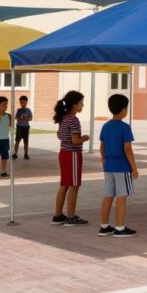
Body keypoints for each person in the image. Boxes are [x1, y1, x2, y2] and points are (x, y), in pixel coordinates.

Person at [99, 94, 138, 238]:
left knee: (108, 195)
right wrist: (134, 168)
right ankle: (120, 227)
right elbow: (128, 149)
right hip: (122, 166)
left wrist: (104, 160)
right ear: (123, 110)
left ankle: (104, 226)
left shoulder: (106, 126)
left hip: (109, 166)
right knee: (122, 196)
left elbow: (102, 147)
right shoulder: (125, 127)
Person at [52, 90, 90, 227]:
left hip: (63, 153)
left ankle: (58, 215)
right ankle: (71, 216)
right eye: (81, 103)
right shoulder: (73, 120)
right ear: (74, 104)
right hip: (72, 154)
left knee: (64, 184)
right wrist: (85, 138)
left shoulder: (63, 118)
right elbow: (75, 140)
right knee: (74, 185)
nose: (83, 105)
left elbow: (59, 135)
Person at [12, 95, 33, 160]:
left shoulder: (28, 110)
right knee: (17, 140)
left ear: (26, 102)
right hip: (19, 127)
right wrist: (20, 117)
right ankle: (15, 154)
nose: (22, 104)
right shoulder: (19, 110)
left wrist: (26, 118)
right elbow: (15, 117)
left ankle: (26, 154)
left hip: (26, 127)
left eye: (23, 102)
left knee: (26, 141)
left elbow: (31, 118)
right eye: (21, 102)